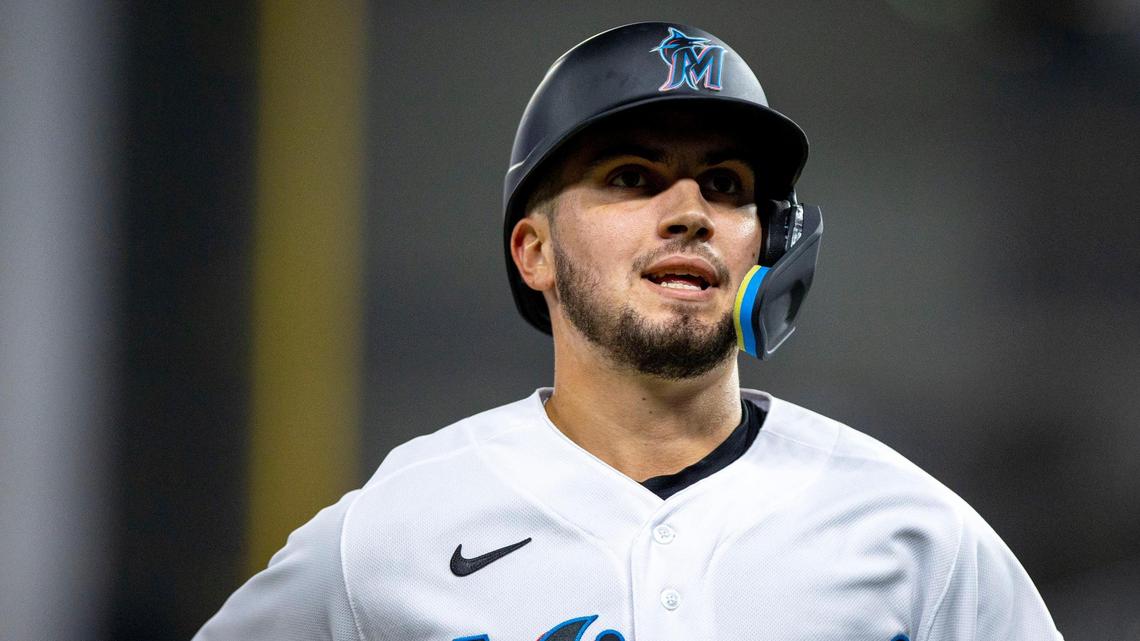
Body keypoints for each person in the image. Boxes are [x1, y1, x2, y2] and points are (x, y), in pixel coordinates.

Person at [194, 22, 1062, 641]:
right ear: (533, 250)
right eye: (633, 175)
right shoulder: (397, 528)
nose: (689, 211)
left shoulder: (912, 532)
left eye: (725, 185)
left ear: (774, 243)